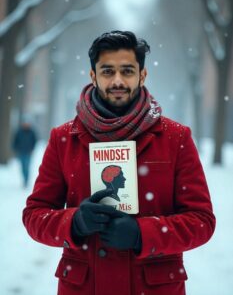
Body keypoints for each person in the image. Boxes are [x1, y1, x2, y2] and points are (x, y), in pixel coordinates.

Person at [22, 31, 215, 295]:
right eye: (107, 71)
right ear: (93, 76)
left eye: (127, 71)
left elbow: (202, 221)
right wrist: (74, 222)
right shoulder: (63, 138)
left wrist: (143, 234)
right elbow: (34, 215)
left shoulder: (176, 138)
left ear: (142, 75)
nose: (117, 81)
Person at [13, 118, 37, 187]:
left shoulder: (32, 132)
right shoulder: (19, 132)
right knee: (22, 167)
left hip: (28, 152)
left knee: (27, 166)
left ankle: (26, 180)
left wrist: (32, 148)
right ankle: (24, 178)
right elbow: (15, 140)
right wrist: (15, 148)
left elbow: (34, 141)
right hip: (21, 151)